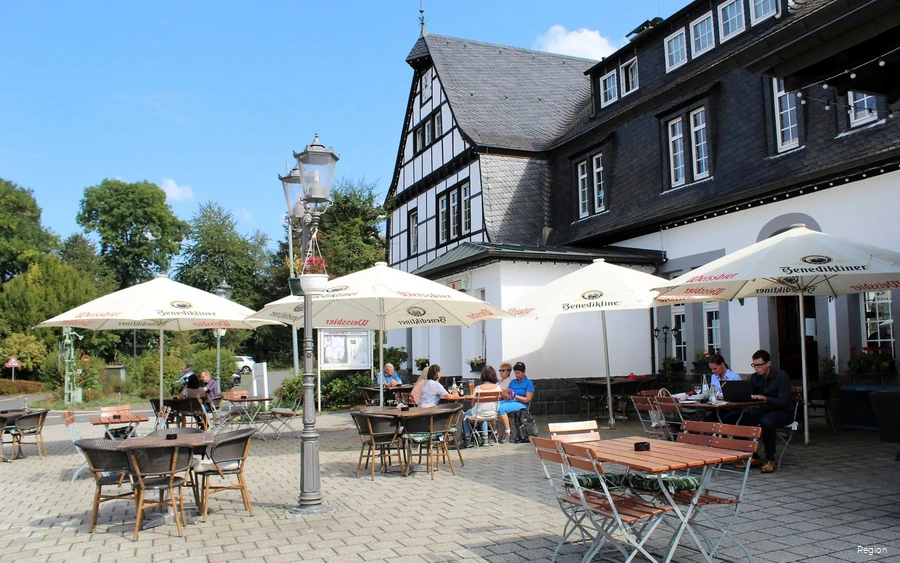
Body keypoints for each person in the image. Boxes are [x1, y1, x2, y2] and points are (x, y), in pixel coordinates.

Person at [730, 350, 794, 473]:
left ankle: (770, 459)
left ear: (768, 363)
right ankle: (753, 456)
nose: (756, 368)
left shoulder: (781, 376)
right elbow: (748, 395)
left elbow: (782, 401)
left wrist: (765, 398)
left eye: (759, 365)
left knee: (767, 422)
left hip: (783, 412)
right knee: (738, 419)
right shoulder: (755, 378)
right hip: (764, 410)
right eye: (754, 365)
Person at [460, 365, 502, 447]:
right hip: (492, 414)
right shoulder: (498, 388)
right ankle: (485, 439)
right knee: (483, 415)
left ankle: (467, 438)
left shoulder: (478, 388)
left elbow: (473, 404)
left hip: (479, 413)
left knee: (465, 414)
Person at [497, 361, 534, 443]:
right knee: (494, 406)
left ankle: (507, 432)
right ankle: (497, 431)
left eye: (519, 373)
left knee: (500, 408)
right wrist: (507, 396)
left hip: (521, 404)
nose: (517, 375)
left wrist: (515, 396)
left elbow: (527, 399)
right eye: (515, 373)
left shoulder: (528, 383)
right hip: (510, 401)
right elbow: (504, 393)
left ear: (524, 372)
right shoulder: (513, 382)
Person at [704, 354, 742, 422]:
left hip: (733, 408)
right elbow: (712, 391)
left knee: (723, 420)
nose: (713, 371)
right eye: (711, 369)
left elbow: (739, 396)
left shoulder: (734, 377)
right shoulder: (714, 377)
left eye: (715, 368)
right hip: (718, 408)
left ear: (722, 364)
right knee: (707, 420)